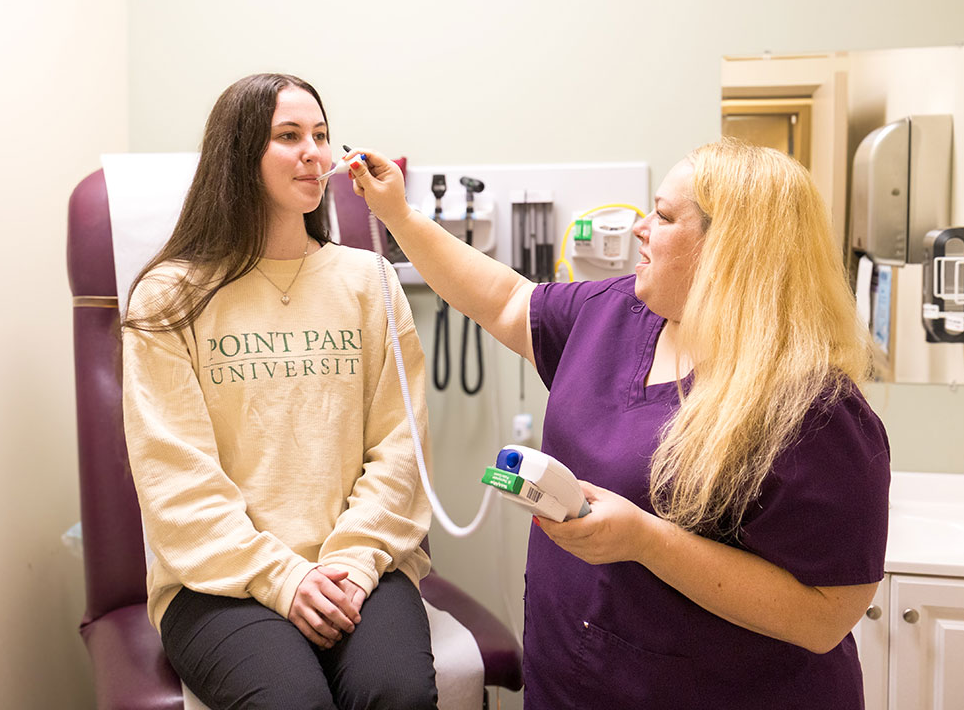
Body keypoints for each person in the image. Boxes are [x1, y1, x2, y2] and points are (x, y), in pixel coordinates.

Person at [350, 137, 890, 709]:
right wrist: (399, 215)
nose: (640, 227)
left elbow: (825, 617)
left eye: (663, 215)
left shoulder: (812, 409)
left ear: (729, 249)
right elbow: (507, 300)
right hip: (572, 679)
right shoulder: (615, 312)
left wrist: (646, 540)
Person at [121, 73, 439, 710]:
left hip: (359, 564)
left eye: (321, 135)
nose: (314, 152)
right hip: (220, 577)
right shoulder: (170, 297)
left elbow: (400, 451)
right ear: (239, 156)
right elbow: (174, 475)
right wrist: (283, 577)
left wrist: (349, 562)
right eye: (288, 136)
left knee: (397, 695)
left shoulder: (368, 281)